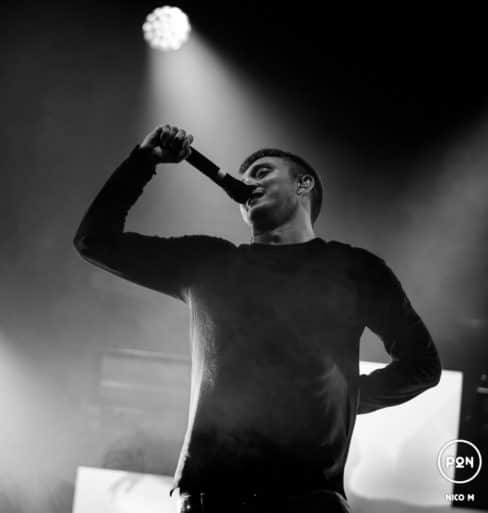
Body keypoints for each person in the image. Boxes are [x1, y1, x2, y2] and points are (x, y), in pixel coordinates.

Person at [73, 125, 442, 512]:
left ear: (303, 184)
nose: (247, 183)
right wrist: (144, 160)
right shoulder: (208, 263)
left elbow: (422, 365)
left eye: (262, 172)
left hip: (309, 501)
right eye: (244, 178)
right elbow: (94, 241)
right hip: (211, 498)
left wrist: (344, 399)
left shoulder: (355, 269)